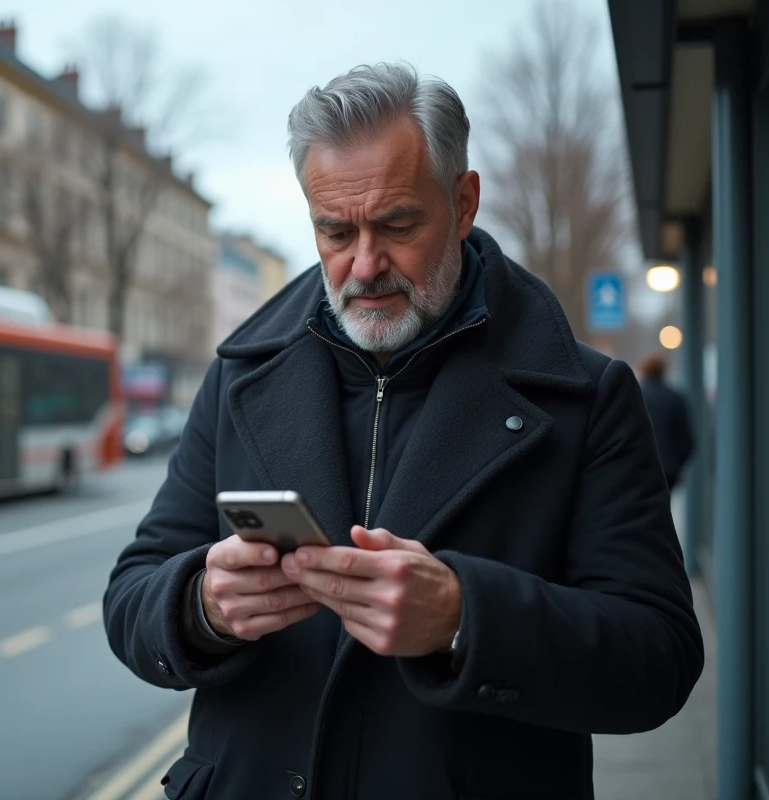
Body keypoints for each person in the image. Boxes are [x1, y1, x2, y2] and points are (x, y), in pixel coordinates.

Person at [103, 62, 703, 800]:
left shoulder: (588, 397)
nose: (365, 265)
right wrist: (201, 606)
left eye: (396, 225)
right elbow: (130, 597)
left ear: (463, 202)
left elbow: (659, 658)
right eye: (334, 231)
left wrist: (463, 617)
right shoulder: (238, 376)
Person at [638, 354, 695, 489]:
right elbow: (687, 441)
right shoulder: (675, 398)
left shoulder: (635, 396)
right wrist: (677, 466)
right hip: (668, 470)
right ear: (663, 371)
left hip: (639, 468)